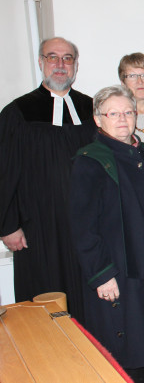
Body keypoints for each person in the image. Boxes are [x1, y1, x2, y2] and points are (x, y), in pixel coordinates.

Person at [69, 85, 144, 383]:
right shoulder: (90, 160)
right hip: (122, 275)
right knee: (130, 354)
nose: (122, 118)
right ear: (98, 119)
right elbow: (83, 227)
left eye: (128, 112)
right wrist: (101, 274)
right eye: (113, 113)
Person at [0, 37, 95, 319]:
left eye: (67, 58)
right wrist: (8, 225)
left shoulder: (92, 109)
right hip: (37, 228)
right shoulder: (17, 113)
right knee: (45, 301)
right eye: (52, 57)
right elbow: (4, 171)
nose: (60, 64)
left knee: (88, 298)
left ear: (76, 65)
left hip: (85, 226)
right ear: (41, 62)